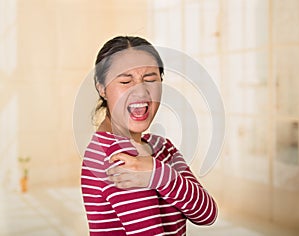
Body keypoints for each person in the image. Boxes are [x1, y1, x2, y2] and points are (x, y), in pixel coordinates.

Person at [81, 36, 217, 236]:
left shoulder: (162, 147)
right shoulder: (115, 158)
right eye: (126, 81)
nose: (141, 91)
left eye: (151, 79)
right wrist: (163, 174)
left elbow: (207, 213)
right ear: (101, 88)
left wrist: (159, 172)